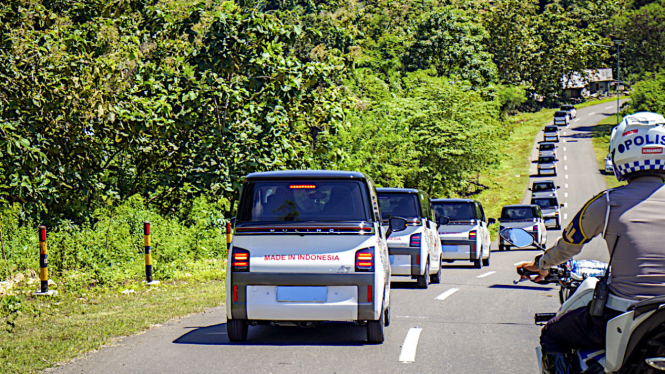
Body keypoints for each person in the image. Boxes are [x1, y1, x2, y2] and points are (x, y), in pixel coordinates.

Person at [517, 112, 665, 374]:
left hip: (620, 313)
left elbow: (568, 247)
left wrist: (541, 264)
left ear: (619, 152)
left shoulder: (606, 203)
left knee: (552, 333)